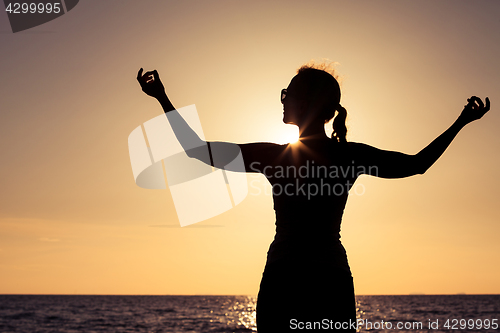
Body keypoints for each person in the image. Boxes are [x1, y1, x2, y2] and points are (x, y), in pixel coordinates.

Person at [136, 64, 490, 332]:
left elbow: (198, 151)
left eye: (287, 93)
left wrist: (162, 98)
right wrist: (462, 120)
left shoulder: (275, 156)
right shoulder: (348, 156)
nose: (283, 99)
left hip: (284, 280)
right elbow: (418, 165)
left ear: (307, 102)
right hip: (329, 280)